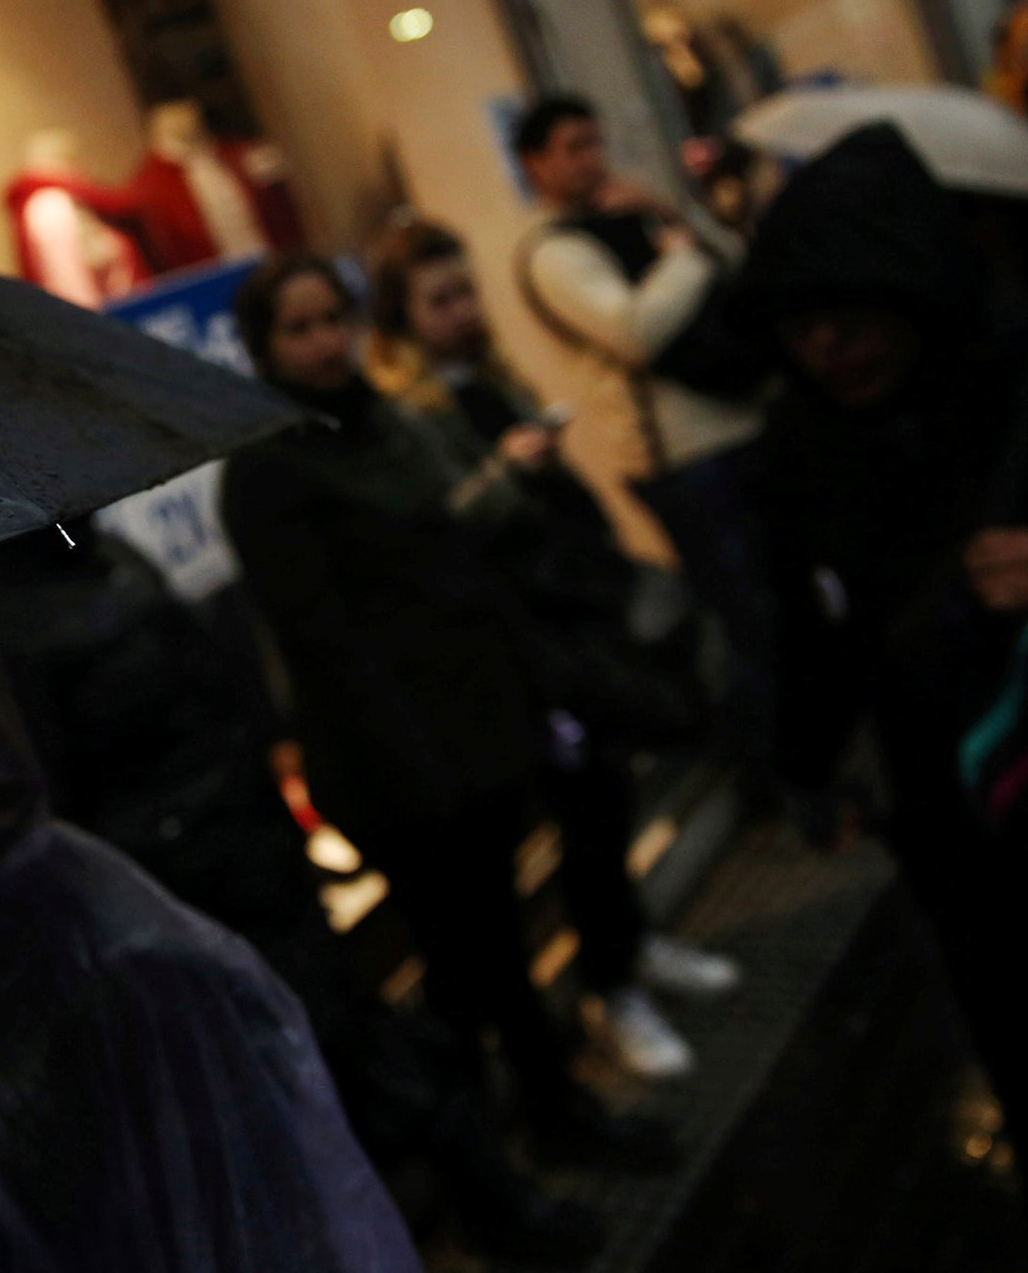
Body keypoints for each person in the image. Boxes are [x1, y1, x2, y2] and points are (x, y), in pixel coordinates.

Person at [0, 523, 609, 1266]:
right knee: (312, 1071)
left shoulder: (105, 554)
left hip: (256, 855)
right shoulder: (0, 626)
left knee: (355, 1042)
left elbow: (213, 688)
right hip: (181, 897)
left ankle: (482, 1207)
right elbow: (56, 803)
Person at [219, 255, 679, 1168]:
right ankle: (497, 1157)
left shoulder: (386, 423)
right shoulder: (268, 467)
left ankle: (550, 1116)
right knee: (465, 969)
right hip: (398, 761)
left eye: (332, 320)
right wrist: (419, 769)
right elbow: (328, 649)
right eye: (299, 328)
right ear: (264, 347)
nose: (324, 343)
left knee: (499, 949)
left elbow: (460, 568)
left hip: (473, 730)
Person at [363, 217, 736, 1078]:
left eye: (467, 292)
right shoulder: (409, 415)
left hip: (572, 619)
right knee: (583, 812)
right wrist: (505, 473)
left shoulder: (487, 380)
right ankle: (610, 985)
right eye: (442, 300)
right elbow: (443, 530)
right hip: (519, 648)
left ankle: (631, 951)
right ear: (402, 316)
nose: (464, 313)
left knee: (607, 797)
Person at [739, 121, 1028, 1160]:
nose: (830, 351)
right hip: (939, 811)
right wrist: (806, 764)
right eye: (802, 328)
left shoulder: (1005, 385)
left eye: (850, 321)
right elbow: (800, 624)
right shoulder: (797, 445)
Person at [505, 94, 777, 779]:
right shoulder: (553, 253)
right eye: (573, 149)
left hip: (738, 422)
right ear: (535, 164)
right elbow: (633, 331)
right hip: (679, 455)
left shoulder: (625, 222)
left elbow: (729, 268)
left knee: (782, 609)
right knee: (749, 625)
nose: (592, 161)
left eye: (595, 143)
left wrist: (668, 218)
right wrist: (681, 253)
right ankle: (779, 779)